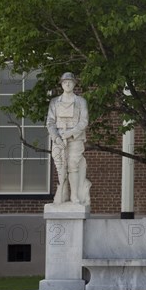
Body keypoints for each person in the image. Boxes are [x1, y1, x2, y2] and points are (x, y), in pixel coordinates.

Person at [47, 72, 90, 205]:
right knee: (61, 167)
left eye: (70, 82)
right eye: (65, 82)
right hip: (59, 139)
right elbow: (50, 122)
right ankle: (62, 193)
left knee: (73, 165)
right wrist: (57, 137)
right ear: (61, 84)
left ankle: (74, 195)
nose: (67, 84)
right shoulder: (54, 102)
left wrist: (70, 133)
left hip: (75, 138)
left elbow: (84, 121)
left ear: (74, 84)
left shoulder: (81, 101)